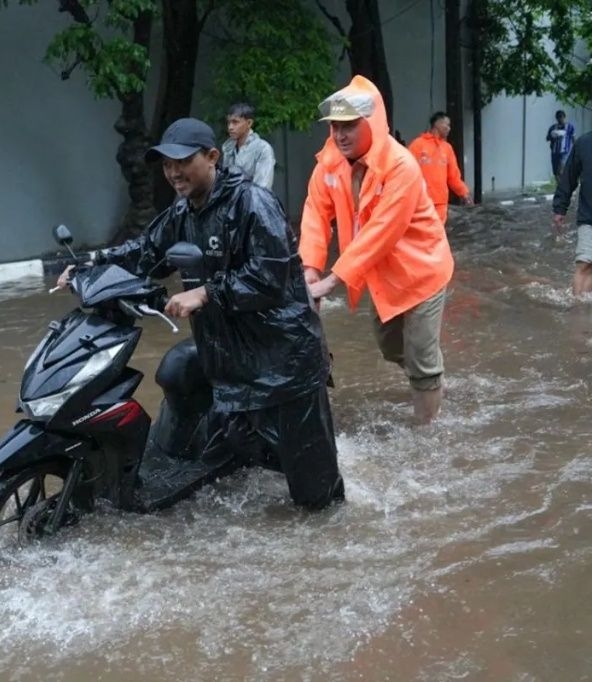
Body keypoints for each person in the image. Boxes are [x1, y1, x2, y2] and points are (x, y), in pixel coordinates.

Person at [56, 118, 343, 509]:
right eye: (166, 165)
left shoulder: (252, 204)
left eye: (182, 161)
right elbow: (145, 252)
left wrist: (206, 293)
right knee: (180, 371)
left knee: (317, 501)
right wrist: (91, 265)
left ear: (212, 157)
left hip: (283, 363)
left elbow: (268, 279)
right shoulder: (183, 212)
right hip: (227, 355)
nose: (173, 172)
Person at [298, 76, 454, 425]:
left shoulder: (401, 166)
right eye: (335, 127)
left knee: (421, 359)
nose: (340, 135)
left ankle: (426, 436)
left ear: (370, 123)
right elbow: (315, 214)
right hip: (380, 273)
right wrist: (310, 268)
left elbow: (383, 231)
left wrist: (331, 281)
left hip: (423, 271)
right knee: (391, 348)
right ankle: (430, 373)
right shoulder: (330, 164)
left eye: (349, 126)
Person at [408, 111, 473, 224]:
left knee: (437, 235)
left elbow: (453, 177)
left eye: (449, 125)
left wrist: (464, 193)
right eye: (446, 124)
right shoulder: (417, 145)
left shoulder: (447, 148)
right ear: (437, 124)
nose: (449, 128)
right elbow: (407, 172)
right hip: (421, 201)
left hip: (440, 203)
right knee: (423, 236)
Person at [551, 130, 592, 296]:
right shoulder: (584, 143)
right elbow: (569, 176)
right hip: (589, 217)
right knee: (584, 264)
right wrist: (560, 208)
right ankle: (576, 311)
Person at [221, 103, 276, 190]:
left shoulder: (262, 148)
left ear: (249, 123)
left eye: (235, 122)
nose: (230, 127)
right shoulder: (229, 149)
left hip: (254, 201)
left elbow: (262, 188)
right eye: (229, 123)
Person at [547, 110, 576, 180]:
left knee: (560, 169)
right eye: (558, 117)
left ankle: (565, 186)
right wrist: (552, 135)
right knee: (555, 172)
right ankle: (560, 187)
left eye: (561, 117)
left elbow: (573, 138)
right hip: (554, 152)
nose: (560, 119)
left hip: (565, 151)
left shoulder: (570, 127)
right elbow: (547, 138)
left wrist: (575, 149)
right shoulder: (553, 128)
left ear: (564, 117)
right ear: (556, 118)